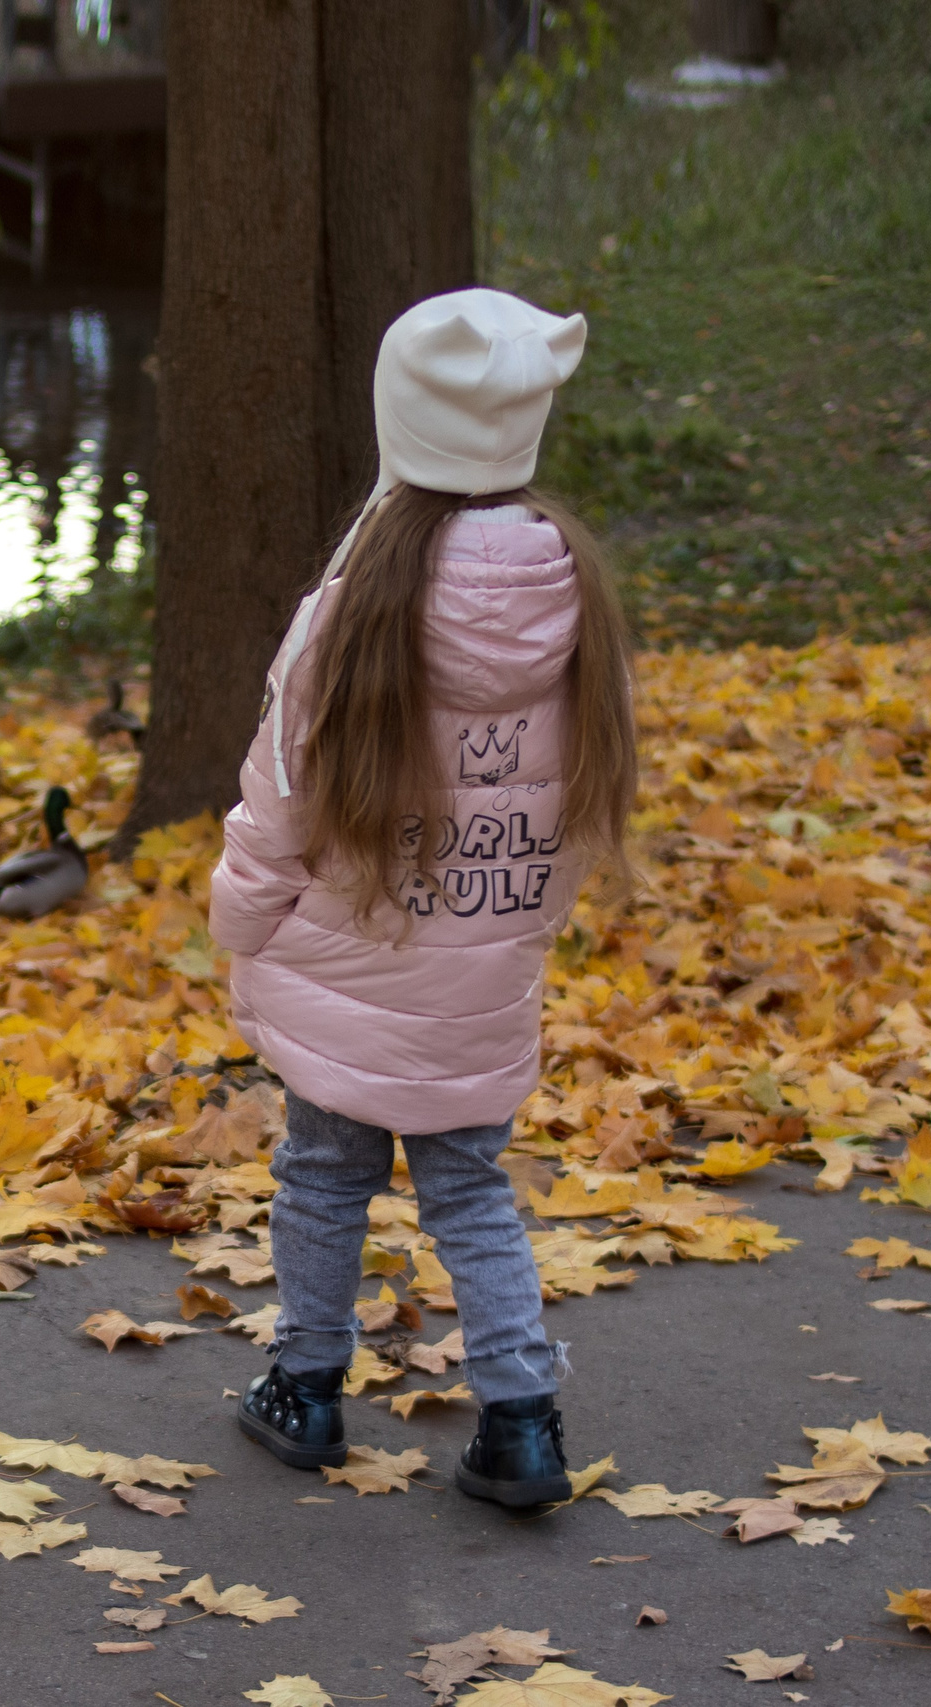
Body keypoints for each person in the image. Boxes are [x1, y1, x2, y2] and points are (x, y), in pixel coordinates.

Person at [209, 288, 639, 1509]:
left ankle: (306, 1385)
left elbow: (278, 797)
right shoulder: (573, 604)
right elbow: (574, 795)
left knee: (323, 1172)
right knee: (469, 1185)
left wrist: (239, 923)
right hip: (485, 968)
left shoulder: (351, 609)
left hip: (345, 968)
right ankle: (520, 1423)